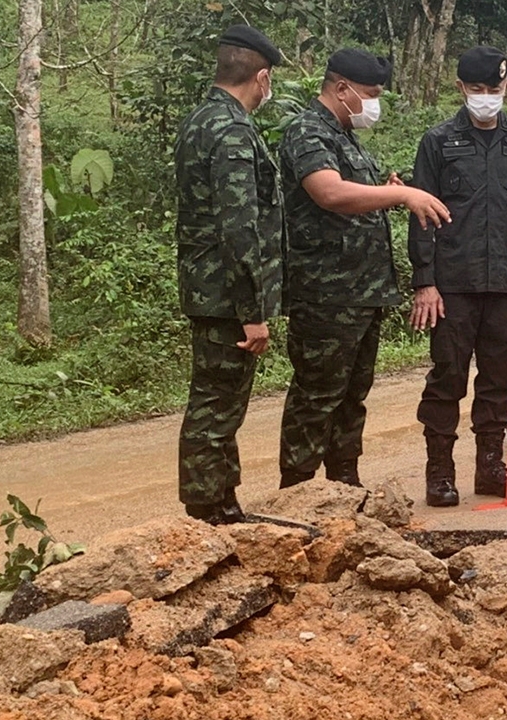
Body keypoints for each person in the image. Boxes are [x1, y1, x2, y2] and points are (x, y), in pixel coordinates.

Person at [278, 49, 450, 490]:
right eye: (370, 95)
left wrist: (383, 190)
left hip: (363, 292)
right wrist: (400, 196)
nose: (374, 104)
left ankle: (344, 481)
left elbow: (355, 197)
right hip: (325, 294)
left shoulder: (347, 136)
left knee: (352, 396)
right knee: (317, 394)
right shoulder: (308, 131)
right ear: (341, 88)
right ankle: (297, 489)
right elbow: (329, 193)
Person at [409, 46, 507, 507]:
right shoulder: (438, 141)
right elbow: (422, 215)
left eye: (493, 89)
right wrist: (425, 281)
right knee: (448, 374)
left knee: (498, 376)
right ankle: (440, 471)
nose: (485, 98)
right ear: (460, 88)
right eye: (476, 90)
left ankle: (490, 464)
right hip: (454, 282)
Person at [174, 25, 284, 525]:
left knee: (219, 403)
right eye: (270, 81)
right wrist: (252, 312)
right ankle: (206, 510)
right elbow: (239, 230)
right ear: (260, 77)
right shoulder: (233, 130)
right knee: (216, 406)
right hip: (225, 294)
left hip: (208, 287)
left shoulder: (200, 121)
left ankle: (223, 502)